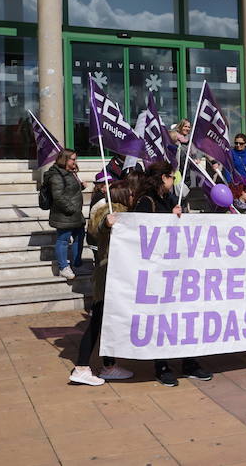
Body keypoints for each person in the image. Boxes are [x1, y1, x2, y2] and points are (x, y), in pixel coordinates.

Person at [132, 161, 212, 386]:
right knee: (161, 318)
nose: (174, 181)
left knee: (184, 316)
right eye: (172, 177)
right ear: (162, 178)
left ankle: (190, 362)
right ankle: (162, 365)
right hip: (157, 273)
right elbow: (140, 234)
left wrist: (174, 214)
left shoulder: (167, 200)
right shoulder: (145, 202)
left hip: (177, 271)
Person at [69, 182, 135, 385]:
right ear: (123, 196)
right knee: (97, 321)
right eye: (130, 194)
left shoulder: (121, 214)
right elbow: (99, 232)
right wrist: (106, 224)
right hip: (107, 276)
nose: (133, 197)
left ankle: (109, 366)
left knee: (109, 323)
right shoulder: (113, 215)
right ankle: (80, 368)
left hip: (111, 275)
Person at [45, 149, 86, 280]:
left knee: (79, 237)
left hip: (75, 214)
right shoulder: (56, 175)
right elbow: (58, 196)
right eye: (73, 159)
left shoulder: (70, 173)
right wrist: (71, 209)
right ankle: (63, 267)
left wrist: (81, 187)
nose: (75, 161)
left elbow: (70, 190)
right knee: (63, 240)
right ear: (65, 159)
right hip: (65, 214)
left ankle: (76, 263)